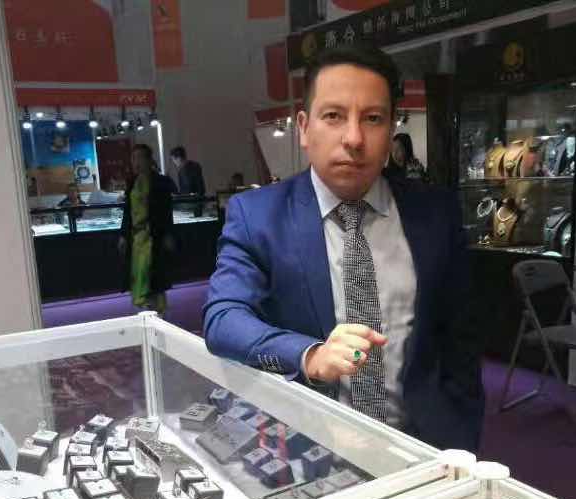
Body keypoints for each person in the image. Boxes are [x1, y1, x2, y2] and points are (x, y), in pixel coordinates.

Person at [203, 45, 484, 452]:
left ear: (391, 129)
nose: (353, 138)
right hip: (306, 450)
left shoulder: (435, 214)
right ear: (304, 128)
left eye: (373, 119)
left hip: (420, 447)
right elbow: (223, 319)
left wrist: (461, 441)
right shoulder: (258, 216)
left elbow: (461, 341)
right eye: (333, 116)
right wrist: (308, 355)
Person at [118, 144, 176, 315]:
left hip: (154, 236)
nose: (136, 162)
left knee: (154, 276)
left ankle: (159, 313)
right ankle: (146, 310)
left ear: (149, 160)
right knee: (139, 274)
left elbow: (166, 211)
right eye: (133, 158)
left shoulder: (161, 182)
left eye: (139, 157)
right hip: (136, 238)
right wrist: (123, 235)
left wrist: (168, 234)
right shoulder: (132, 182)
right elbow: (128, 211)